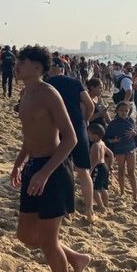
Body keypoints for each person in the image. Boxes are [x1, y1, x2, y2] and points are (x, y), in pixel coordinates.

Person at [10, 46, 90, 272]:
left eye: (22, 61)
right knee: (25, 234)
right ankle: (77, 258)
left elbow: (71, 138)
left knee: (48, 240)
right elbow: (29, 134)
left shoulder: (49, 94)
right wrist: (20, 162)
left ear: (37, 67)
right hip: (33, 166)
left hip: (53, 171)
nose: (17, 64)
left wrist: (45, 172)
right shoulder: (26, 93)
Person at [46, 58, 95, 222]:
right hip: (77, 127)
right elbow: (90, 105)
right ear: (64, 69)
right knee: (83, 170)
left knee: (61, 169)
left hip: (58, 128)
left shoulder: (47, 84)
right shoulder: (75, 82)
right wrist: (85, 120)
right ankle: (89, 210)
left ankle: (65, 210)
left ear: (51, 69)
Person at [104, 102, 137, 201]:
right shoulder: (113, 123)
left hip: (131, 148)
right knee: (121, 170)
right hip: (119, 149)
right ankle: (122, 191)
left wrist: (134, 133)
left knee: (131, 172)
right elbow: (106, 138)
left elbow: (136, 132)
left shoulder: (131, 120)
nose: (124, 113)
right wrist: (113, 140)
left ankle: (135, 195)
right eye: (121, 110)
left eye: (126, 111)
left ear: (129, 111)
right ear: (117, 111)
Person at [88, 123, 112, 212]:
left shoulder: (95, 145)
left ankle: (101, 206)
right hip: (104, 167)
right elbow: (111, 154)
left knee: (95, 189)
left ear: (95, 136)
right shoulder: (102, 143)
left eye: (89, 134)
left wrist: (91, 170)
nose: (88, 135)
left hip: (98, 168)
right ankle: (106, 204)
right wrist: (110, 165)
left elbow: (96, 159)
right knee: (103, 188)